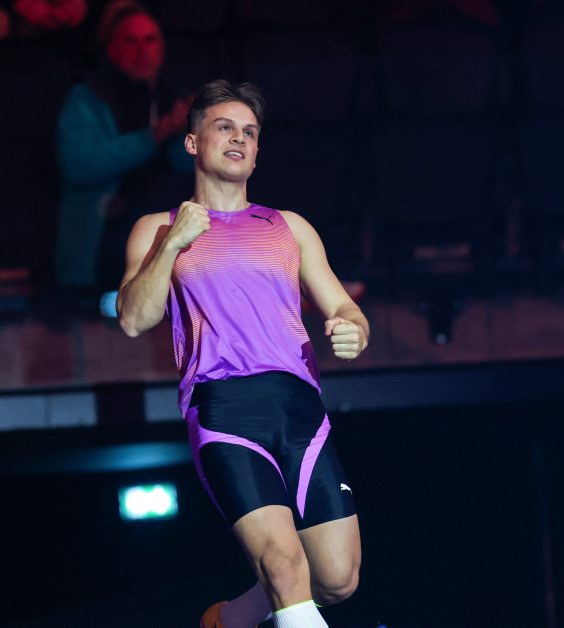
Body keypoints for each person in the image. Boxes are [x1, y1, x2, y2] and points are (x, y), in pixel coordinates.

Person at [117, 79, 369, 628]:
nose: (239, 139)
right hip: (224, 408)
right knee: (283, 564)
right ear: (192, 142)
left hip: (299, 408)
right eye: (225, 127)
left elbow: (344, 307)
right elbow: (135, 318)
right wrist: (174, 243)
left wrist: (352, 327)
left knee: (336, 578)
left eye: (250, 133)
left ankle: (229, 621)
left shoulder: (289, 226)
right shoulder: (157, 229)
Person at [54, 0, 192, 306]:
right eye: (130, 41)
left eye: (149, 40)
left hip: (168, 232)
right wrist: (155, 136)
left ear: (162, 48)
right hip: (106, 236)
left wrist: (196, 131)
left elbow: (190, 168)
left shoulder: (174, 97)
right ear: (112, 49)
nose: (142, 51)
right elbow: (79, 166)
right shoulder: (87, 98)